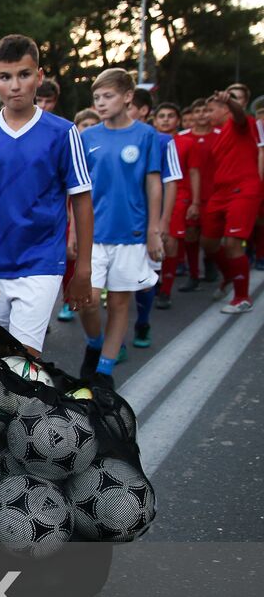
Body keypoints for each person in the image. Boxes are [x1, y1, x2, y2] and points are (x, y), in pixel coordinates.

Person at [0, 35, 93, 357]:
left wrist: (83, 269)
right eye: (5, 77)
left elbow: (82, 201)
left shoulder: (63, 133)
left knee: (23, 360)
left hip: (41, 263)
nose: (15, 85)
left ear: (39, 77)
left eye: (24, 74)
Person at [77, 69, 164, 385]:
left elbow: (153, 183)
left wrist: (154, 229)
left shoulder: (146, 135)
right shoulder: (87, 137)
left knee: (118, 303)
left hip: (131, 235)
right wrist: (74, 230)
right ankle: (95, 344)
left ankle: (104, 371)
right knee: (86, 302)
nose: (100, 102)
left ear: (128, 97)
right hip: (94, 236)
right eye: (97, 97)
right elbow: (77, 190)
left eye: (108, 96)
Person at [199, 86, 262, 313]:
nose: (206, 115)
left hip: (243, 190)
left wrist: (231, 102)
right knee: (208, 242)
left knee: (233, 243)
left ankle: (242, 297)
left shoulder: (242, 123)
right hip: (221, 193)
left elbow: (239, 115)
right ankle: (228, 277)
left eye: (210, 110)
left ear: (225, 109)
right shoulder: (220, 133)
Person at [131, 102, 183, 344]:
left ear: (142, 110)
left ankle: (142, 322)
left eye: (130, 105)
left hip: (147, 222)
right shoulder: (99, 135)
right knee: (110, 289)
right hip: (114, 226)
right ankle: (113, 345)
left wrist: (163, 221)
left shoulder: (161, 140)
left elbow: (170, 182)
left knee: (144, 280)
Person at [159, 102, 210, 303]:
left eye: (170, 116)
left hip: (180, 197)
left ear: (178, 120)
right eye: (161, 115)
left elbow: (194, 172)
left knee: (170, 242)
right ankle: (152, 283)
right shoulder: (147, 139)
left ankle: (166, 290)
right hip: (150, 198)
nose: (165, 119)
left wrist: (195, 203)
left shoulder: (187, 142)